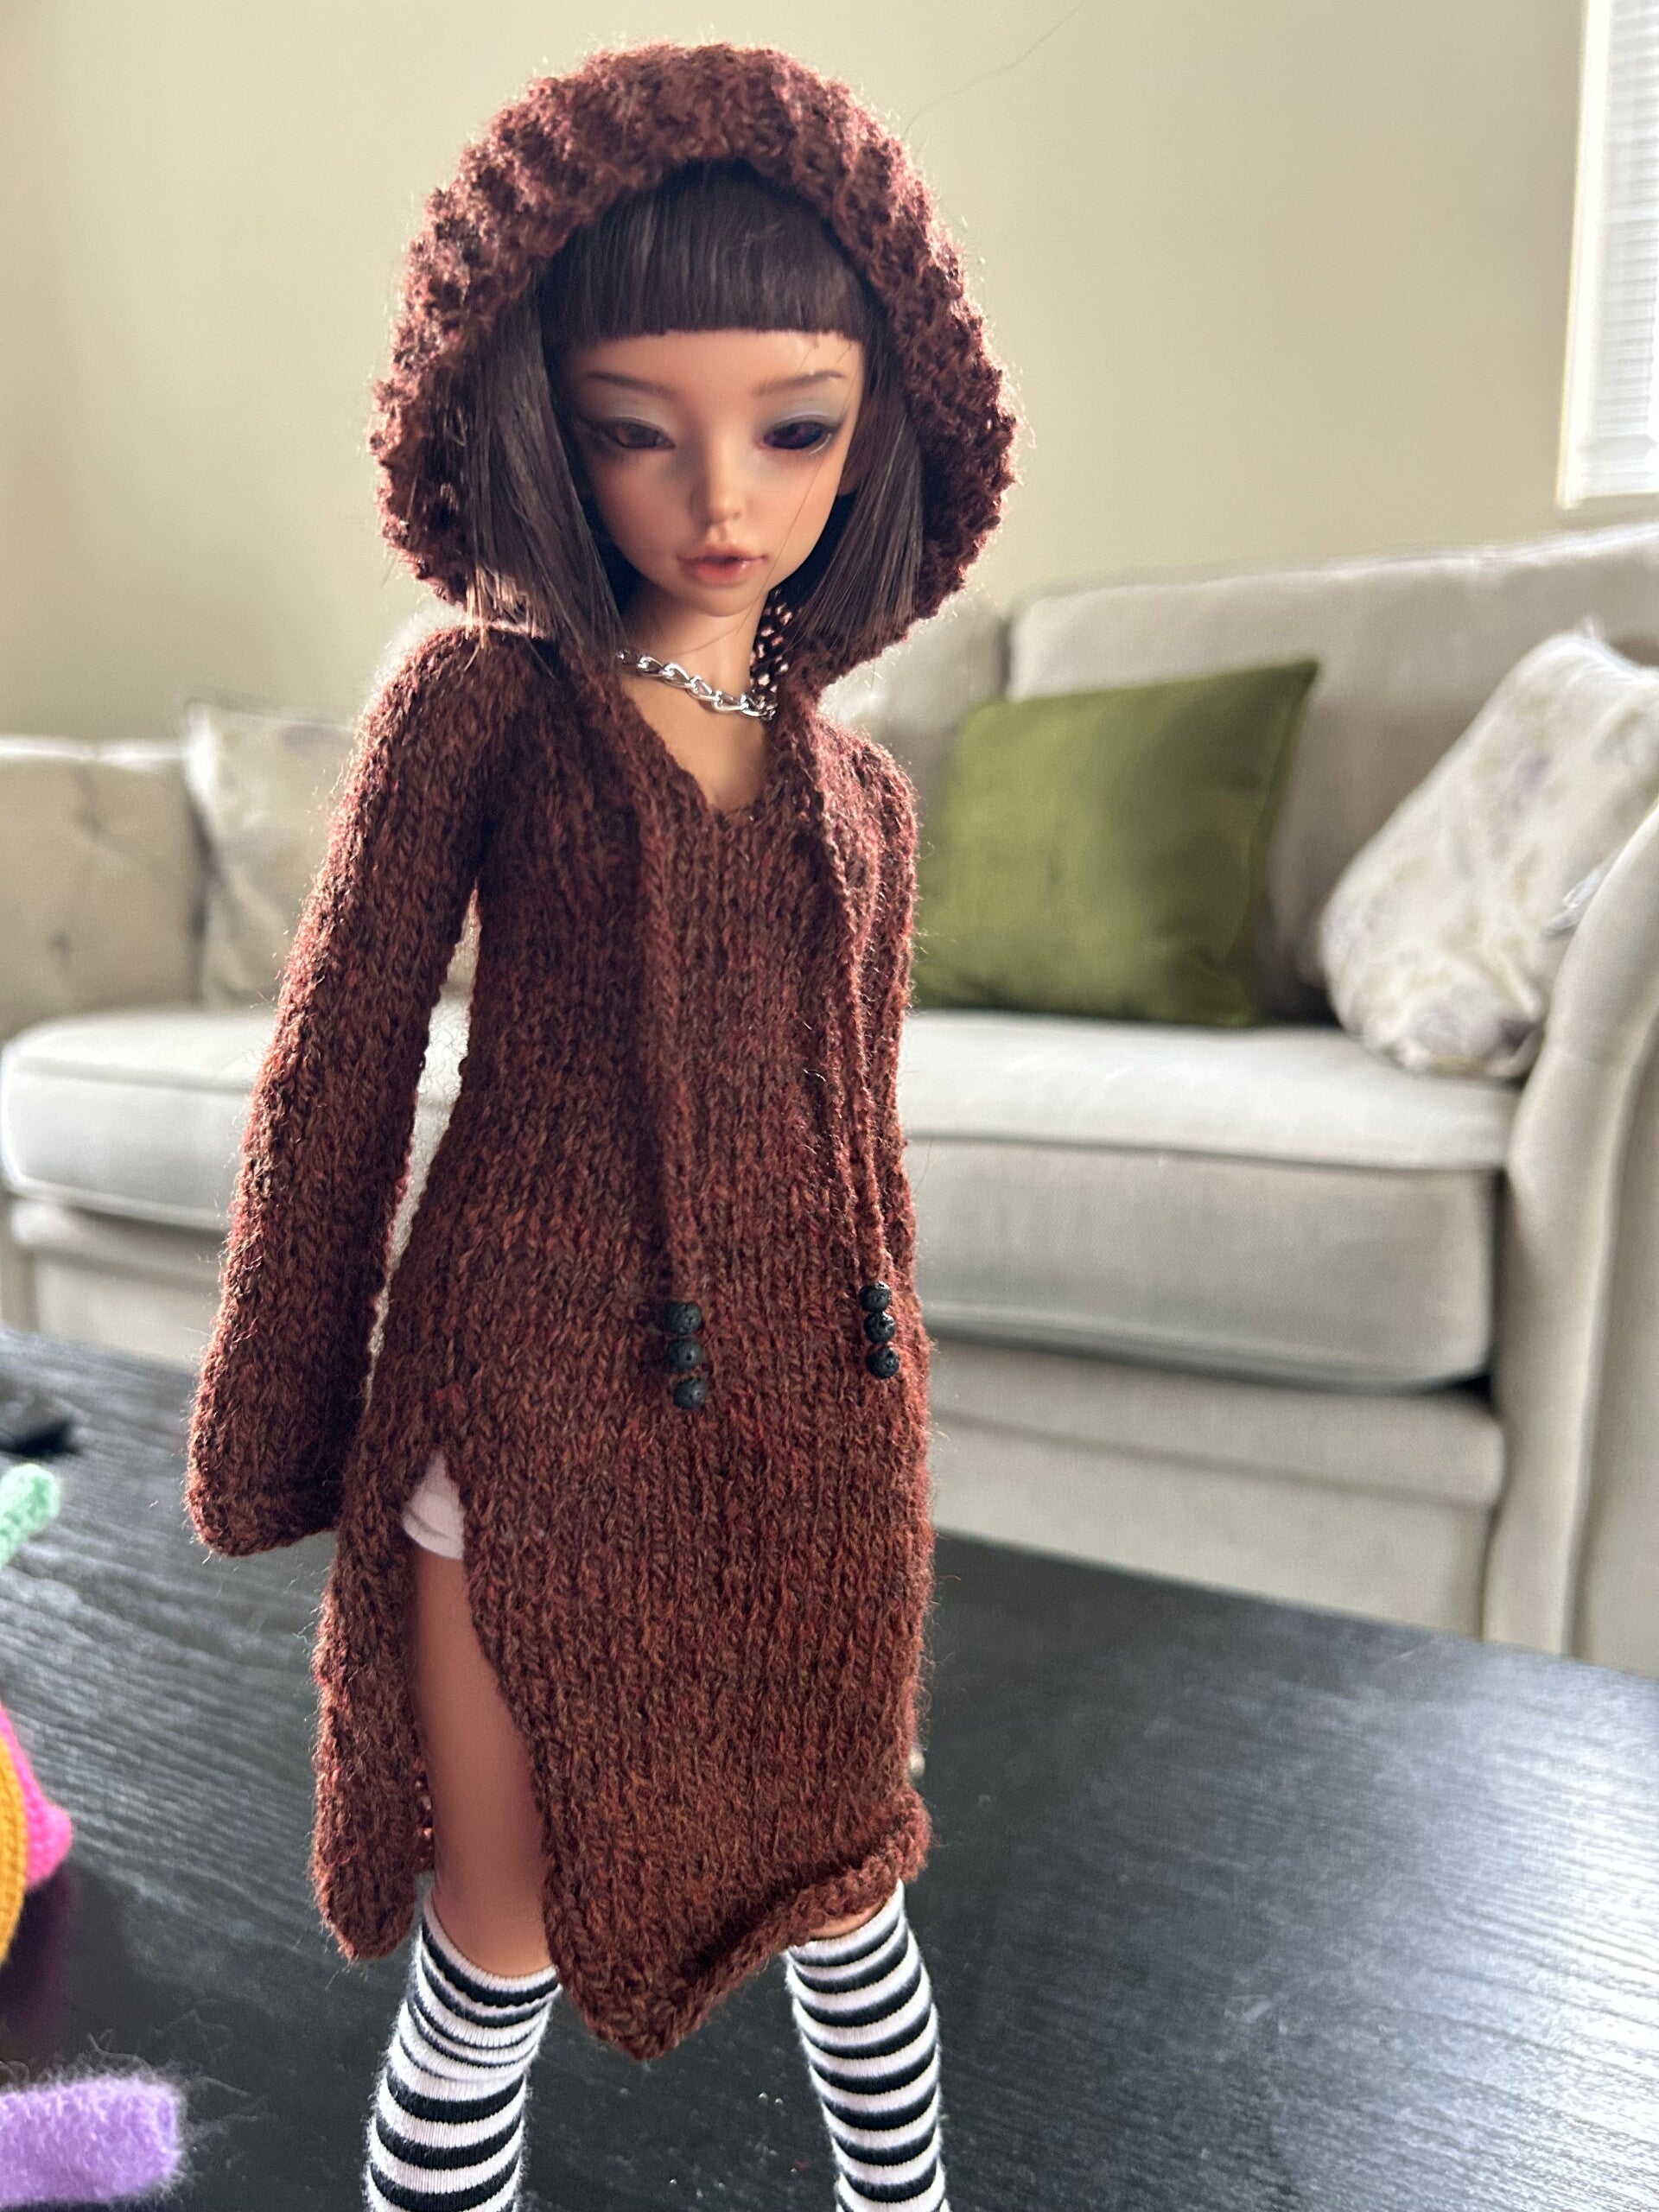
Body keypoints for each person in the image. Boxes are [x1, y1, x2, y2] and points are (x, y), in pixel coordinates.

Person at [182, 38, 1018, 2212]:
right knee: (499, 1942)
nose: (722, 495)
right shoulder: (479, 704)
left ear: (886, 425)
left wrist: (891, 1413)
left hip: (816, 1436)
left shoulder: (860, 795)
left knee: (855, 1899)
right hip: (524, 1415)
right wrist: (285, 1414)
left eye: (796, 425)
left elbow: (865, 1159)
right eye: (636, 427)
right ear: (531, 422)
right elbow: (338, 1069)